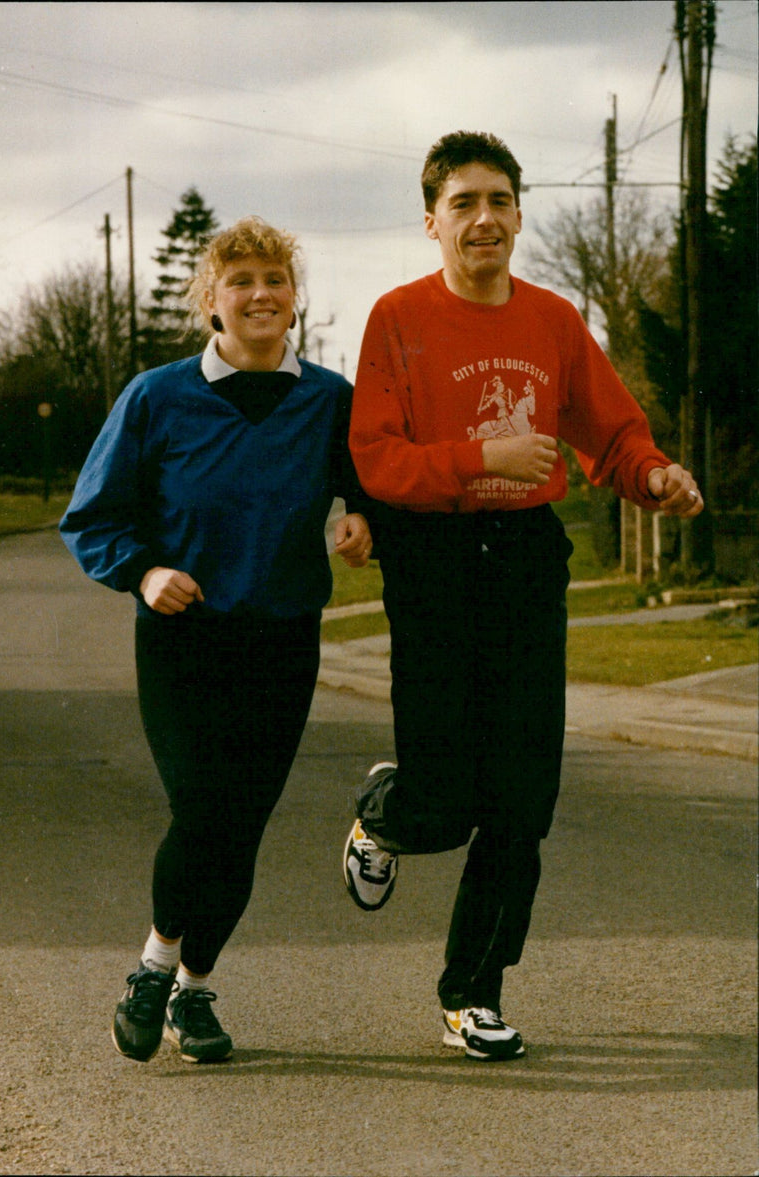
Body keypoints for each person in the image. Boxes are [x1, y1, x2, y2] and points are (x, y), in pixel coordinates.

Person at [342, 131, 704, 1062]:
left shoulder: (553, 319)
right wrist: (483, 457)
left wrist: (654, 475)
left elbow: (611, 432)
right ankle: (386, 811)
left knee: (522, 794)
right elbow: (376, 461)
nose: (484, 218)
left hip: (525, 560)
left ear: (517, 215)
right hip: (433, 560)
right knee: (443, 797)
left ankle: (472, 992)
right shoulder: (397, 318)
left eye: (499, 200)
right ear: (431, 221)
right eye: (463, 203)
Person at [60, 216, 373, 1064]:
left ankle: (192, 990)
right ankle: (153, 969)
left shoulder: (330, 399)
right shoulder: (156, 396)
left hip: (283, 640)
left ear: (295, 299)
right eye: (241, 281)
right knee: (203, 808)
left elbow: (371, 482)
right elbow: (90, 516)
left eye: (275, 279)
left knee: (243, 826)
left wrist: (361, 518)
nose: (260, 294)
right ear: (211, 301)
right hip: (184, 641)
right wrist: (142, 571)